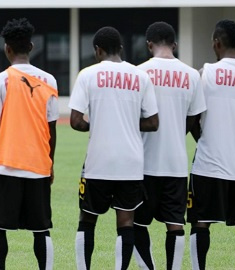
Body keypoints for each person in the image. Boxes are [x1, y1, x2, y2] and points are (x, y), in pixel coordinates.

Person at [69, 26, 159, 270]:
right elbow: (153, 122)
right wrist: (128, 120)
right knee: (126, 221)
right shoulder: (140, 76)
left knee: (87, 219)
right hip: (130, 163)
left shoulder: (87, 75)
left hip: (98, 161)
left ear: (97, 50)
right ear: (121, 48)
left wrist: (97, 121)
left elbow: (76, 121)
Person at [0, 18, 58, 270]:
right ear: (31, 46)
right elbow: (51, 128)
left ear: (7, 49)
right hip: (38, 167)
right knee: (41, 229)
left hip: (4, 166)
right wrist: (50, 163)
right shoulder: (50, 81)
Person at [188, 19, 235, 270]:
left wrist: (205, 138)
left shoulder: (205, 73)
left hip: (208, 165)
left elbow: (192, 120)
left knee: (201, 222)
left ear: (215, 43)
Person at [132, 22, 206, 270]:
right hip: (176, 164)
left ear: (149, 44)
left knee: (136, 223)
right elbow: (194, 118)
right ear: (175, 44)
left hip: (142, 163)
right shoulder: (192, 75)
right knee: (176, 224)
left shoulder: (138, 73)